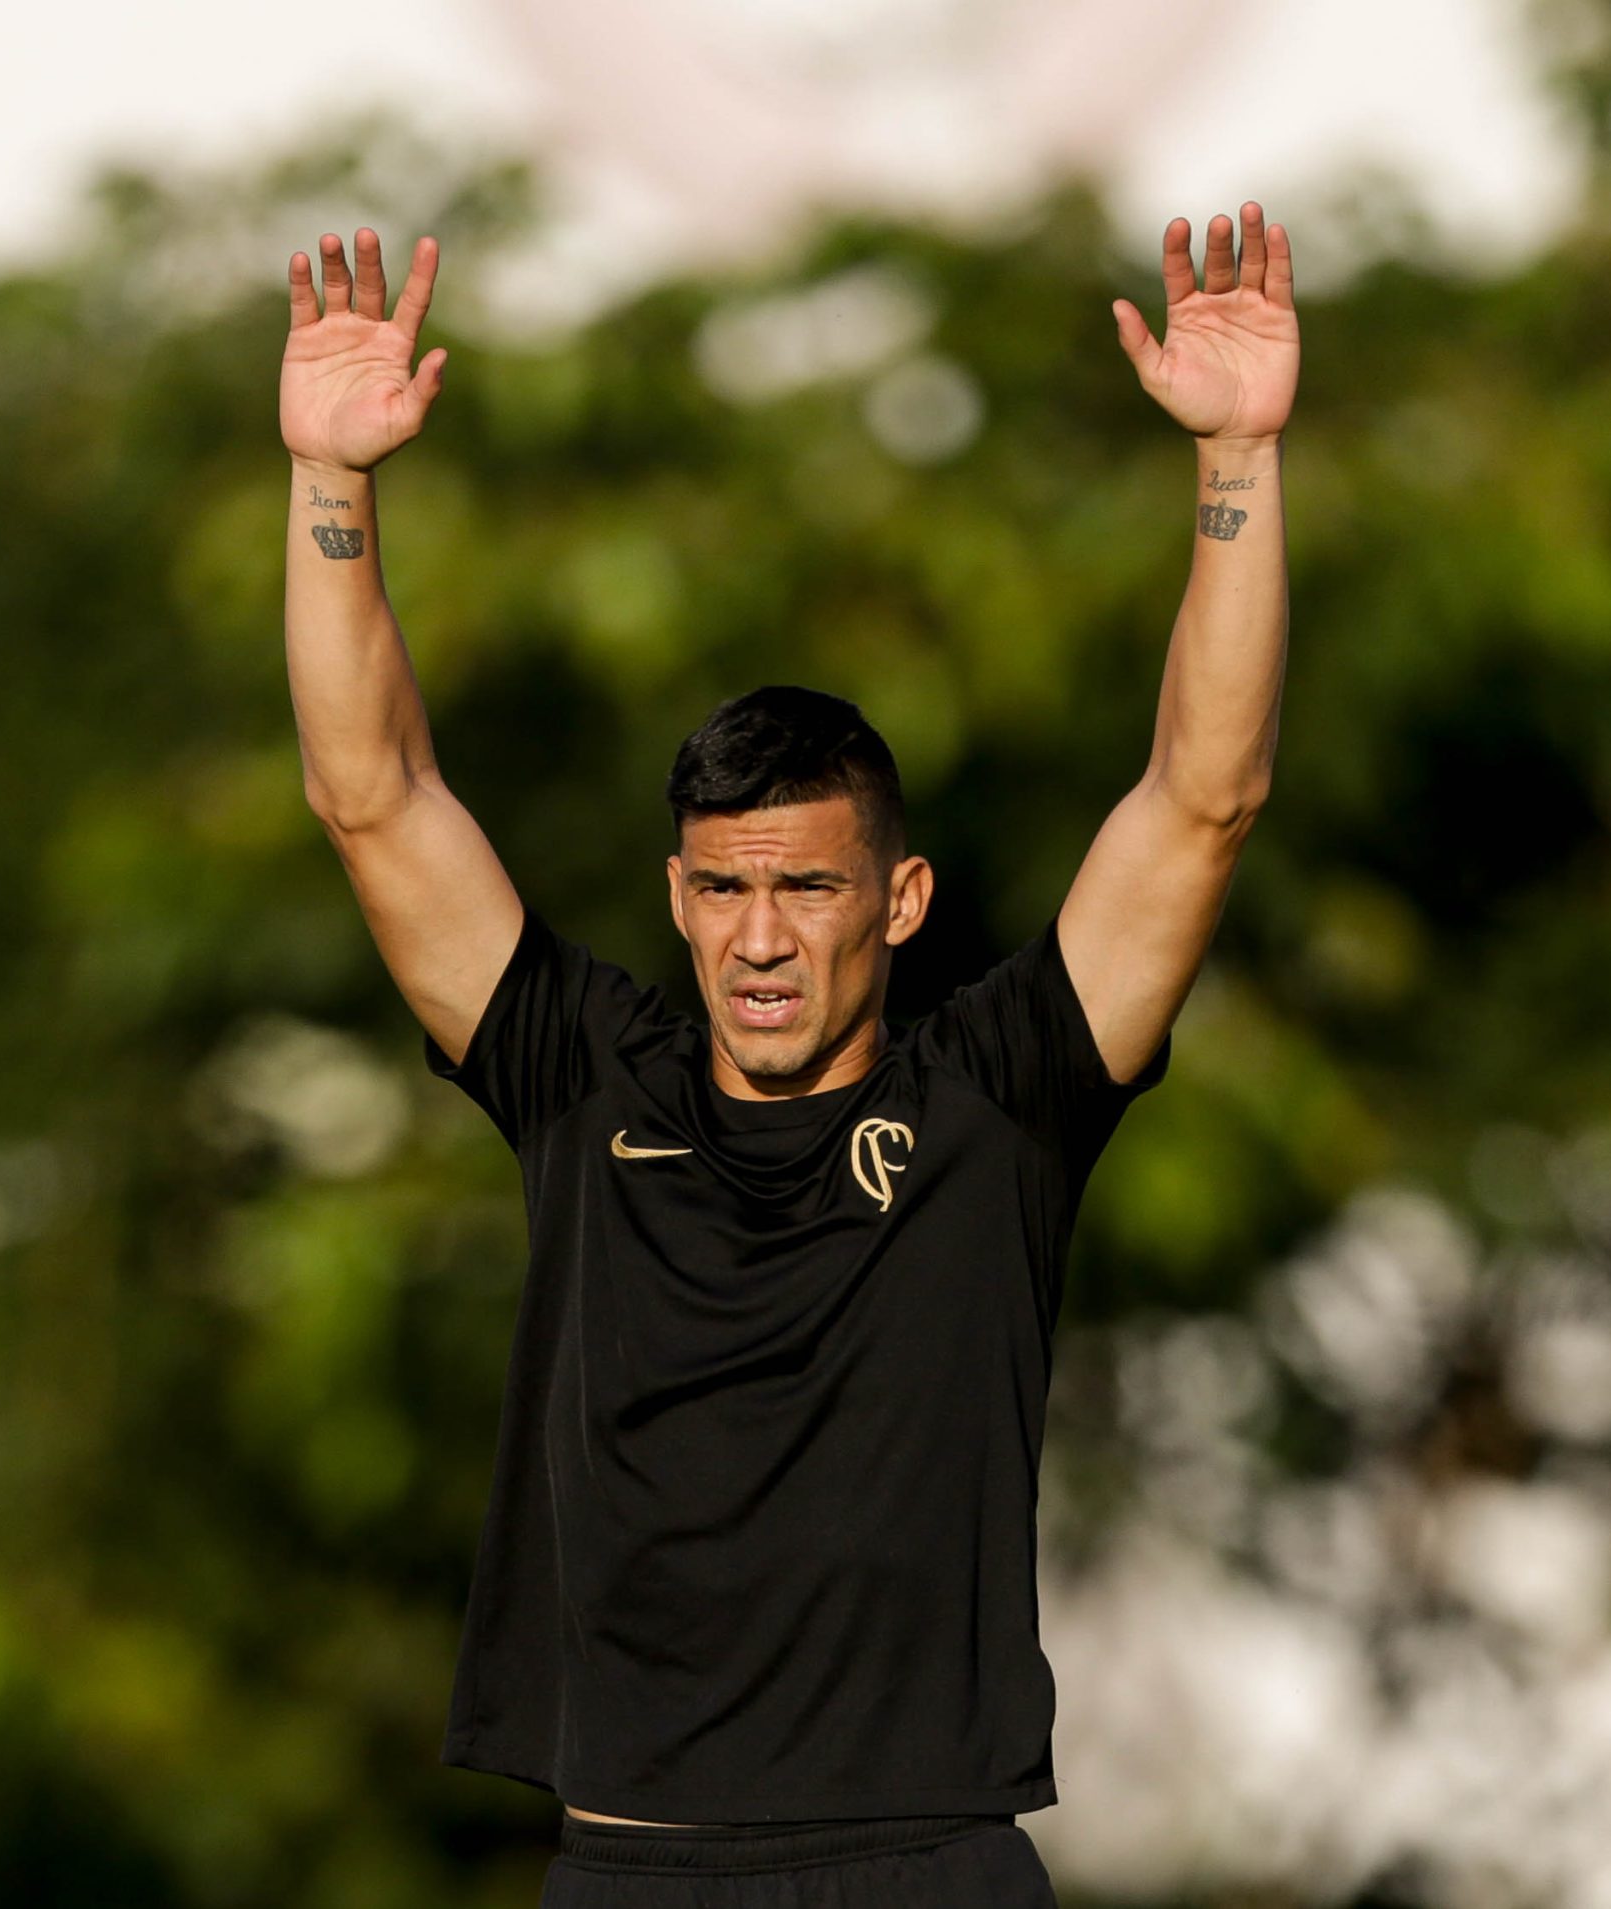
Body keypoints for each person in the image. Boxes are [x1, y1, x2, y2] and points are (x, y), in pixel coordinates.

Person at [277, 206, 1297, 1906]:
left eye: (808, 889)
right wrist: (331, 488)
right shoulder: (578, 1074)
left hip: (927, 1865)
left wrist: (1244, 456)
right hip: (635, 1871)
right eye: (728, 890)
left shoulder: (1000, 1096)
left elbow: (1205, 798)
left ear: (896, 898)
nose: (763, 939)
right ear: (679, 896)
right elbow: (368, 795)